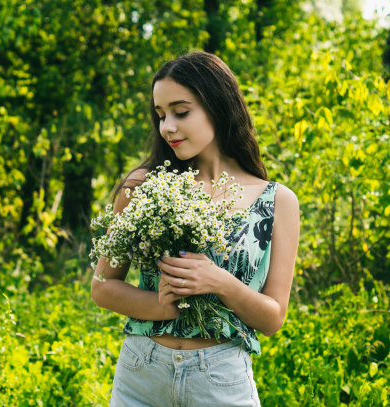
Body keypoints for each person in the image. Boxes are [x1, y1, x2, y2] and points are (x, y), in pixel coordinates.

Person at [91, 51, 299, 407]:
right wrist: (162, 305)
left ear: (217, 106)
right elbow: (103, 287)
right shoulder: (144, 185)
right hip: (142, 374)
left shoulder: (278, 201)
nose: (167, 126)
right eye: (160, 116)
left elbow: (273, 317)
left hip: (221, 380)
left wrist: (218, 282)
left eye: (181, 112)